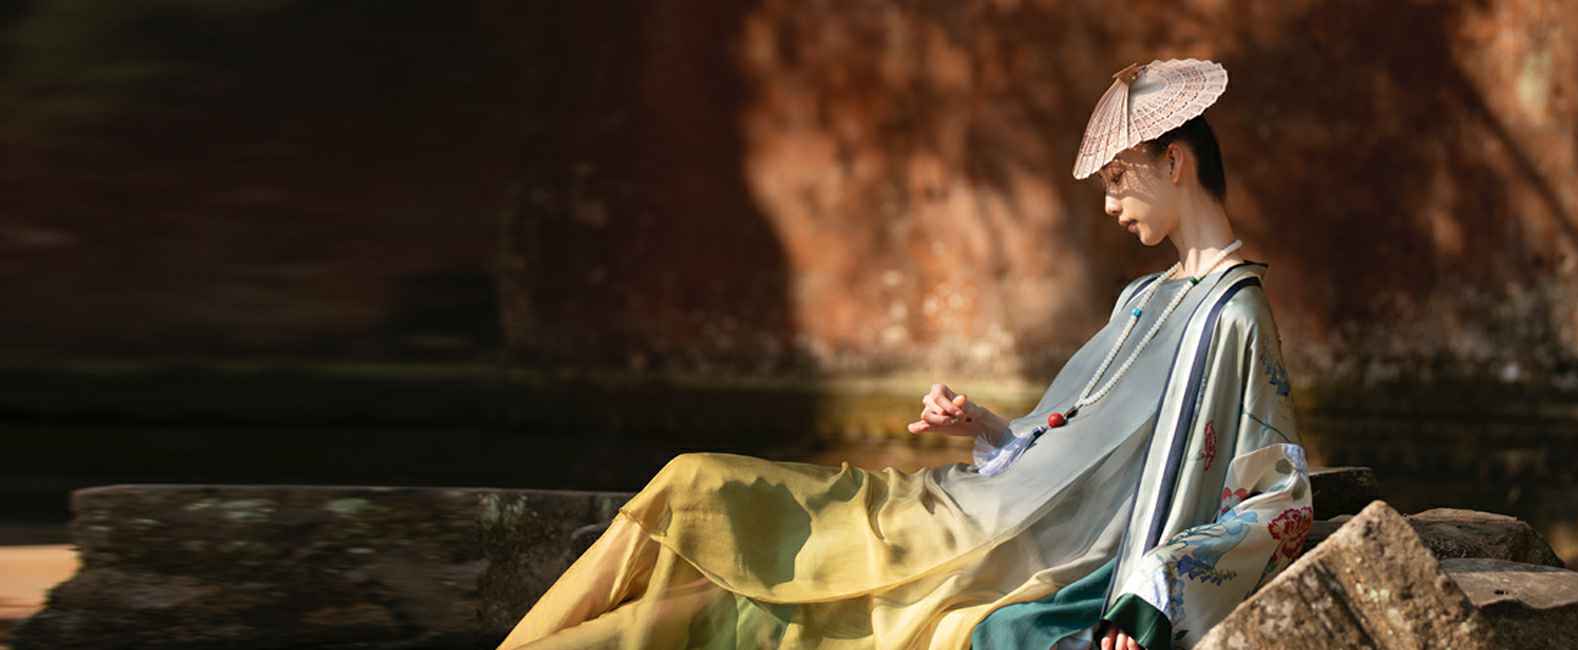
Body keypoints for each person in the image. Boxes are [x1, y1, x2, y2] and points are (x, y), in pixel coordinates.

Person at [498, 58, 1312, 650]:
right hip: (969, 507)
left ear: (1175, 162)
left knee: (730, 580)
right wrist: (986, 426)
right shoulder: (1141, 297)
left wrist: (1154, 587)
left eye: (1116, 180)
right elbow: (1076, 429)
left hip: (1013, 554)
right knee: (690, 489)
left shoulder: (1234, 315)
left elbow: (1276, 497)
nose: (1108, 205)